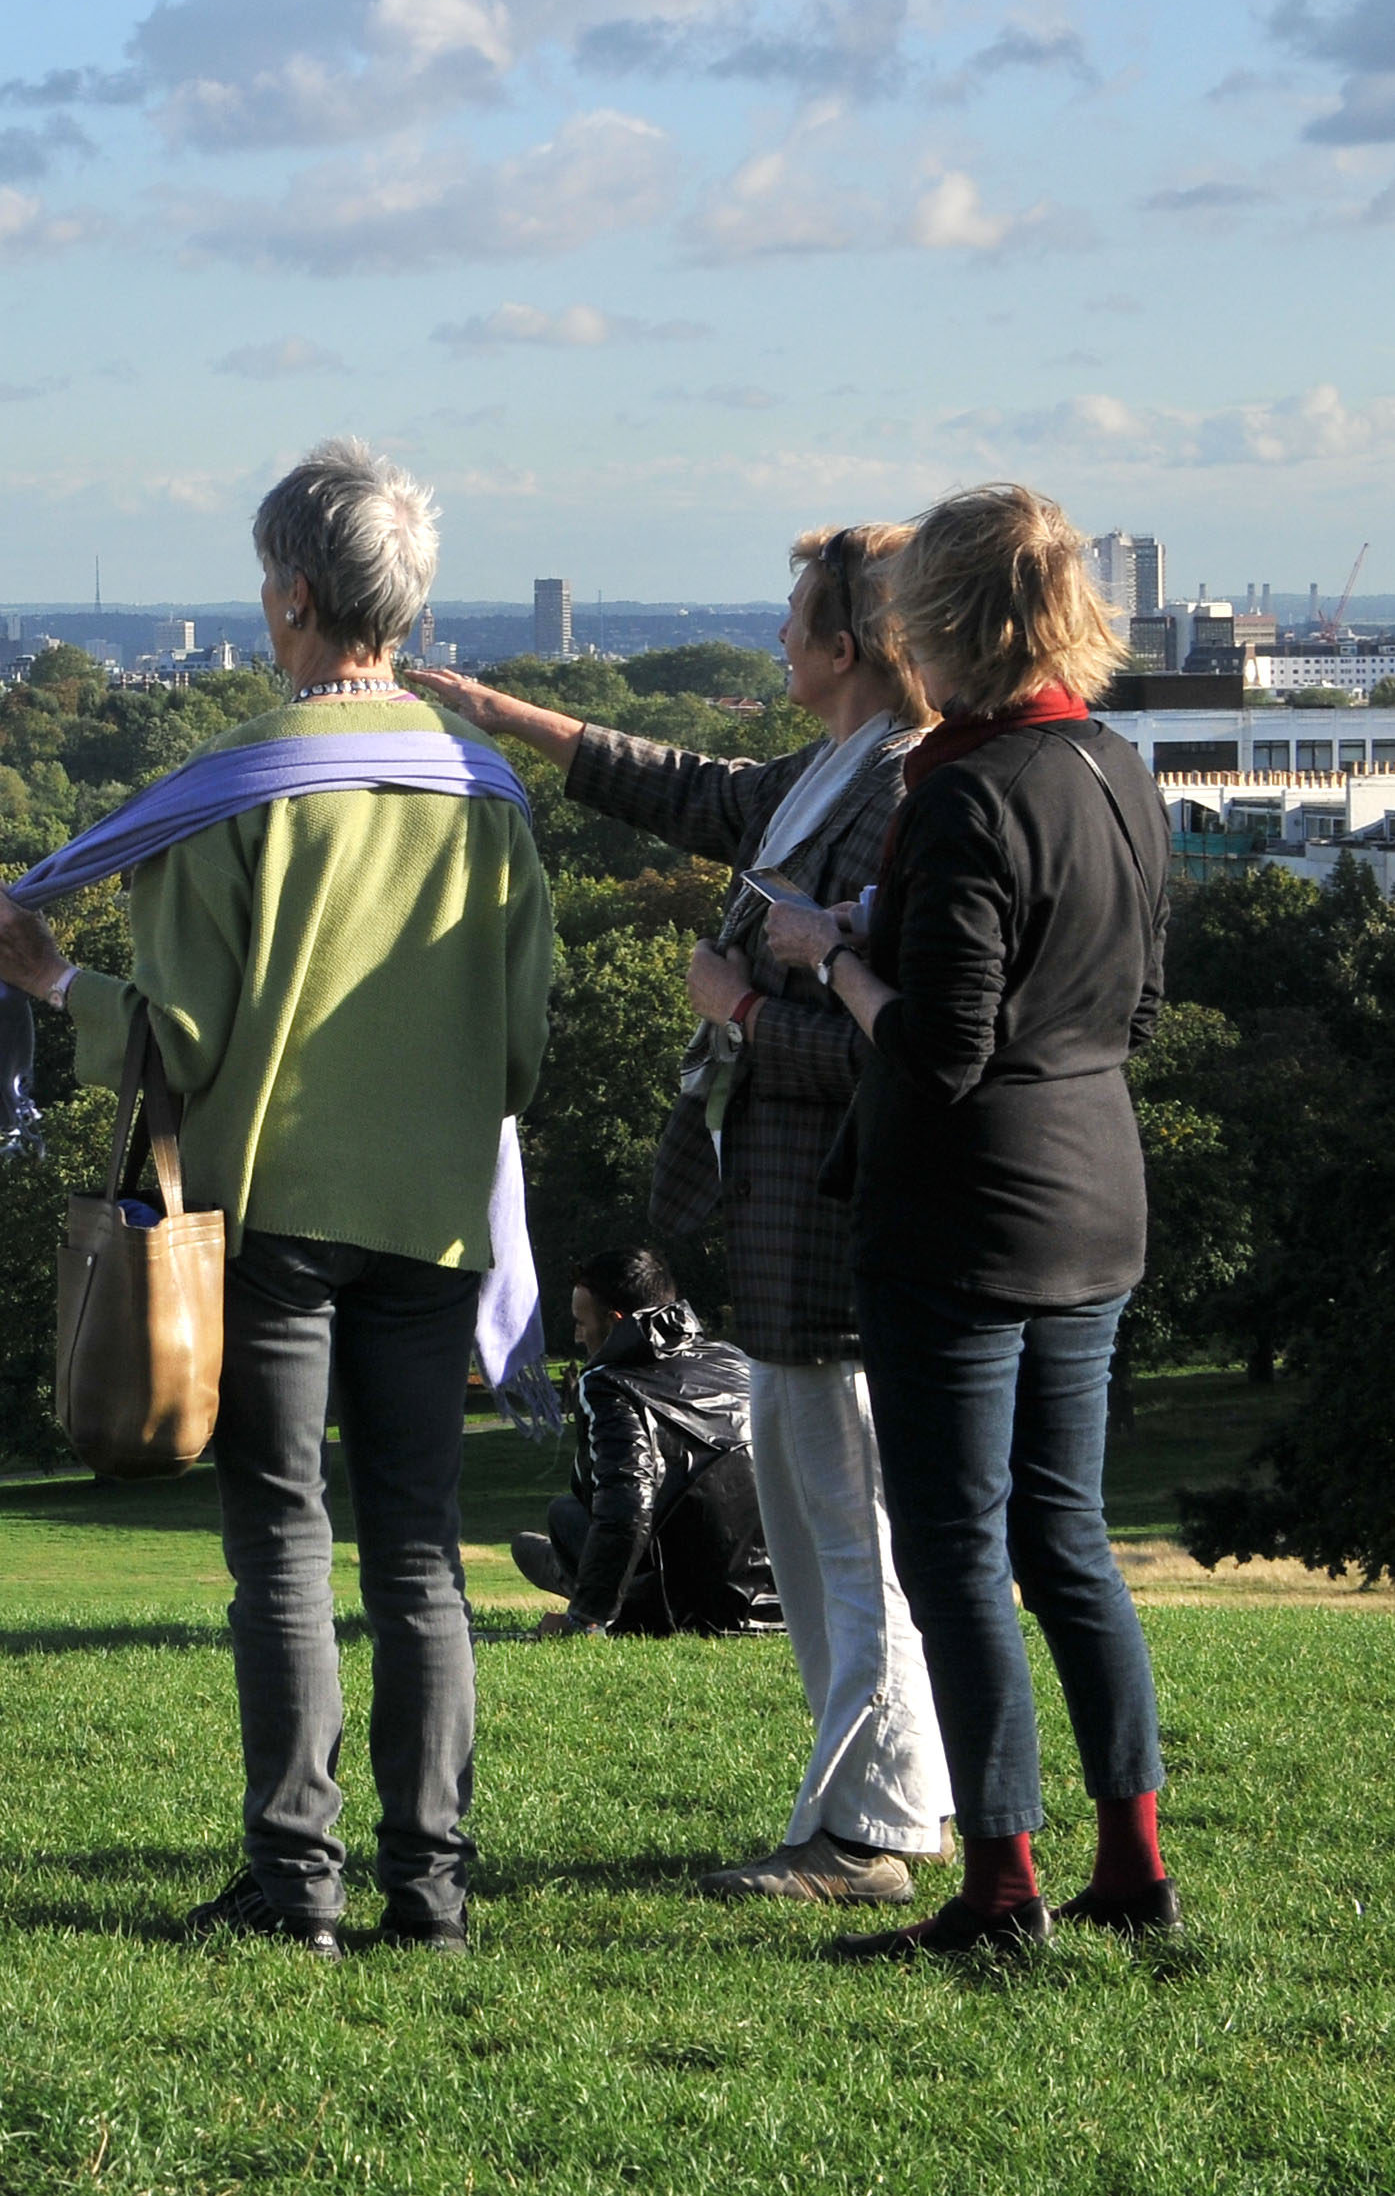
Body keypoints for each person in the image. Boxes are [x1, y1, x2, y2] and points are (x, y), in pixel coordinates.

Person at [0, 439, 552, 1957]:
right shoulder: (485, 797)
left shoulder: (237, 790)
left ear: (290, 595)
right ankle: (433, 1889)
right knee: (418, 1552)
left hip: (271, 1216)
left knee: (281, 1545)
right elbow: (521, 1046)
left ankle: (294, 1879)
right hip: (432, 1216)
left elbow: (177, 1038)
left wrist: (49, 981)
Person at [420, 523, 954, 1905]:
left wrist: (739, 1009)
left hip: (832, 1223)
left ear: (845, 644)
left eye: (792, 617)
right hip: (783, 1222)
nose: (775, 635)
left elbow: (892, 1048)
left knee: (847, 1532)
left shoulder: (899, 792)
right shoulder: (830, 773)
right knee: (822, 1519)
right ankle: (867, 1813)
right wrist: (492, 709)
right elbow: (675, 785)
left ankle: (875, 1831)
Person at [772, 483, 1174, 1962]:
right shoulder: (1114, 764)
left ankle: (1000, 1886)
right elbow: (1129, 998)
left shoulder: (958, 788)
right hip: (1093, 1187)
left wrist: (827, 958)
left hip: (955, 1208)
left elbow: (931, 1047)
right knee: (1064, 1535)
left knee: (950, 1550)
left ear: (930, 620)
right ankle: (1130, 1863)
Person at [515, 1249, 775, 1639]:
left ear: (615, 1322)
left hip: (690, 1606)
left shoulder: (609, 1383)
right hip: (778, 1597)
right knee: (535, 1544)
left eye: (581, 1322)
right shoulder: (733, 1359)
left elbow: (626, 1507)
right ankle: (577, 1575)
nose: (577, 1335)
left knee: (561, 1516)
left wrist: (586, 1619)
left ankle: (588, 1589)